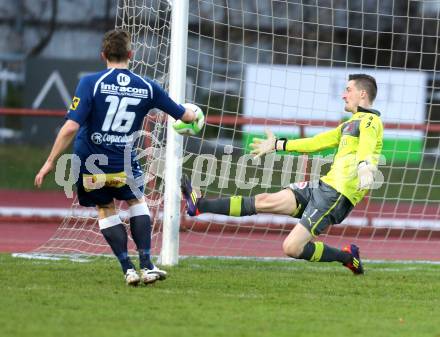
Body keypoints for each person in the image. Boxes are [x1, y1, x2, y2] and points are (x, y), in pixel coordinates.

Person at [35, 29, 202, 286]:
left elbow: (70, 127)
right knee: (137, 201)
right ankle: (147, 264)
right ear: (130, 54)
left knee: (105, 208)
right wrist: (195, 115)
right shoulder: (147, 86)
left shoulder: (91, 83)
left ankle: (128, 269)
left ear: (103, 55)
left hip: (90, 162)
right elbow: (184, 116)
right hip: (123, 161)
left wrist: (50, 162)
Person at [181, 74, 383, 275]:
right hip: (322, 186)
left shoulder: (370, 120)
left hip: (336, 195)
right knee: (263, 200)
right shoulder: (350, 123)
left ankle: (348, 257)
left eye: (348, 90)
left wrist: (365, 165)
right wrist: (278, 144)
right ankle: (199, 206)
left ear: (362, 93)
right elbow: (316, 143)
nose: (343, 95)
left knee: (292, 248)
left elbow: (367, 144)